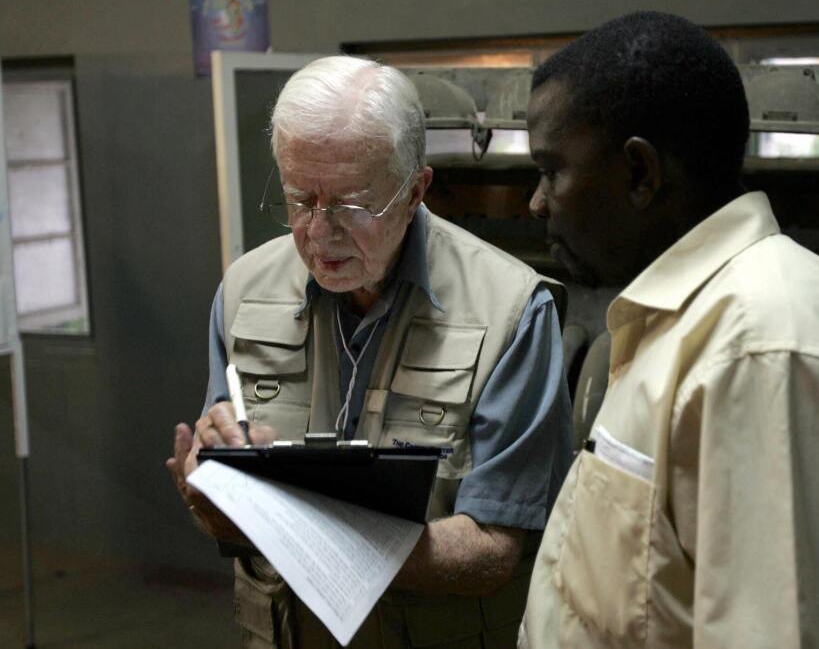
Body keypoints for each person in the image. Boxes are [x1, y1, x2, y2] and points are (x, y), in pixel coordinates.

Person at [166, 55, 573, 648]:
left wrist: (304, 533)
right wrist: (209, 489)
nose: (321, 233)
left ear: (415, 191)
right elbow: (227, 500)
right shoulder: (244, 293)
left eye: (353, 204)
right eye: (300, 200)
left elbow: (496, 547)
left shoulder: (512, 311)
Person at [520, 11, 819, 648]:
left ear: (640, 173)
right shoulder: (685, 321)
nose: (537, 202)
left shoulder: (765, 347)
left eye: (551, 171)